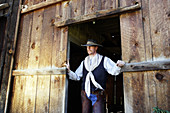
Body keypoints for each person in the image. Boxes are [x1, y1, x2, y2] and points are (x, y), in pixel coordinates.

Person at [66, 39, 125, 113]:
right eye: (87, 47)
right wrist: (69, 71)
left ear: (96, 48)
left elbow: (114, 71)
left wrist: (118, 66)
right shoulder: (84, 62)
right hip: (85, 93)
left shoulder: (104, 60)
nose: (88, 48)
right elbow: (77, 76)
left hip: (98, 94)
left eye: (91, 46)